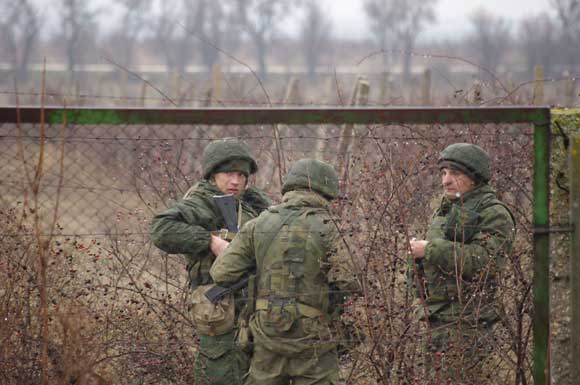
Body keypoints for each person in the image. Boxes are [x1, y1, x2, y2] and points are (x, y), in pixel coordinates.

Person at [210, 159, 359, 385]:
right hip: (314, 341)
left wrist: (260, 262)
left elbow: (221, 273)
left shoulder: (259, 224)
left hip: (266, 333)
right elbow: (352, 282)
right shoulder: (332, 228)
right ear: (327, 194)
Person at [150, 137, 271, 385]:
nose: (235, 181)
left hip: (259, 313)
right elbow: (161, 229)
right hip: (222, 314)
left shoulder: (254, 206)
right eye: (228, 173)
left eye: (241, 174)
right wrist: (210, 241)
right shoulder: (201, 203)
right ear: (213, 175)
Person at [409, 143, 516, 383]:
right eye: (443, 173)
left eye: (455, 174)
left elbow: (485, 262)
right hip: (436, 322)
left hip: (467, 327)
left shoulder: (494, 213)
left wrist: (430, 249)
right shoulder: (445, 211)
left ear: (474, 179)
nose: (446, 180)